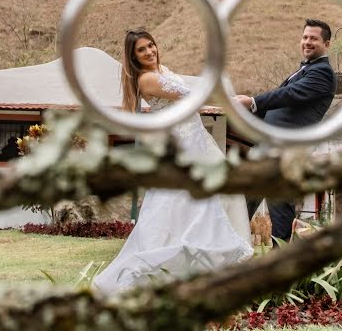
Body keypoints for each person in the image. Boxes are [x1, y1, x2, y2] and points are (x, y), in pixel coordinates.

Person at [92, 29, 253, 296]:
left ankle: (207, 266)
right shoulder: (147, 80)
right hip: (182, 147)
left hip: (196, 140)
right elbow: (190, 95)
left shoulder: (163, 69)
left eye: (151, 45)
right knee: (183, 205)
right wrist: (231, 101)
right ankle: (174, 263)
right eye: (141, 50)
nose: (149, 52)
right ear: (133, 57)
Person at [235, 19, 336, 242]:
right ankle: (233, 251)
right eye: (305, 37)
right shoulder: (305, 69)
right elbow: (280, 105)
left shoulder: (323, 73)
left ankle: (280, 260)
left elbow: (287, 95)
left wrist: (253, 101)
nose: (307, 42)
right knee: (244, 201)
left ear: (326, 44)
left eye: (314, 38)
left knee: (279, 203)